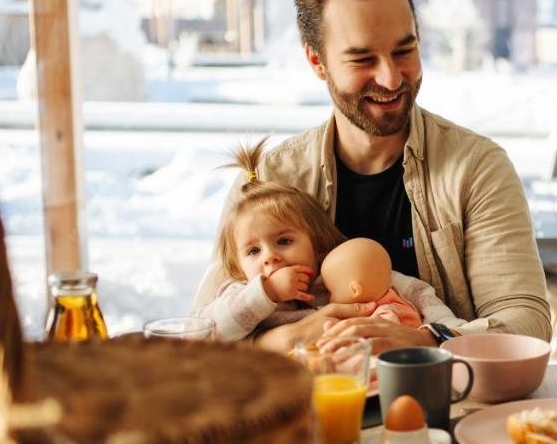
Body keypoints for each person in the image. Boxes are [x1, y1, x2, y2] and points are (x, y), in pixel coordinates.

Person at [192, 0, 551, 353]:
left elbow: (526, 321)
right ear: (318, 61)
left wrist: (423, 339)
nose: (391, 77)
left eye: (404, 51)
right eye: (363, 58)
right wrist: (290, 336)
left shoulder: (477, 168)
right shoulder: (268, 178)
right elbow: (199, 337)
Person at [196, 141, 463, 343]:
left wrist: (446, 331)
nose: (270, 257)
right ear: (238, 264)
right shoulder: (241, 294)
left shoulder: (339, 272)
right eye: (253, 251)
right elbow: (209, 332)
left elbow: (415, 291)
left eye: (284, 241)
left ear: (318, 246)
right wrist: (266, 293)